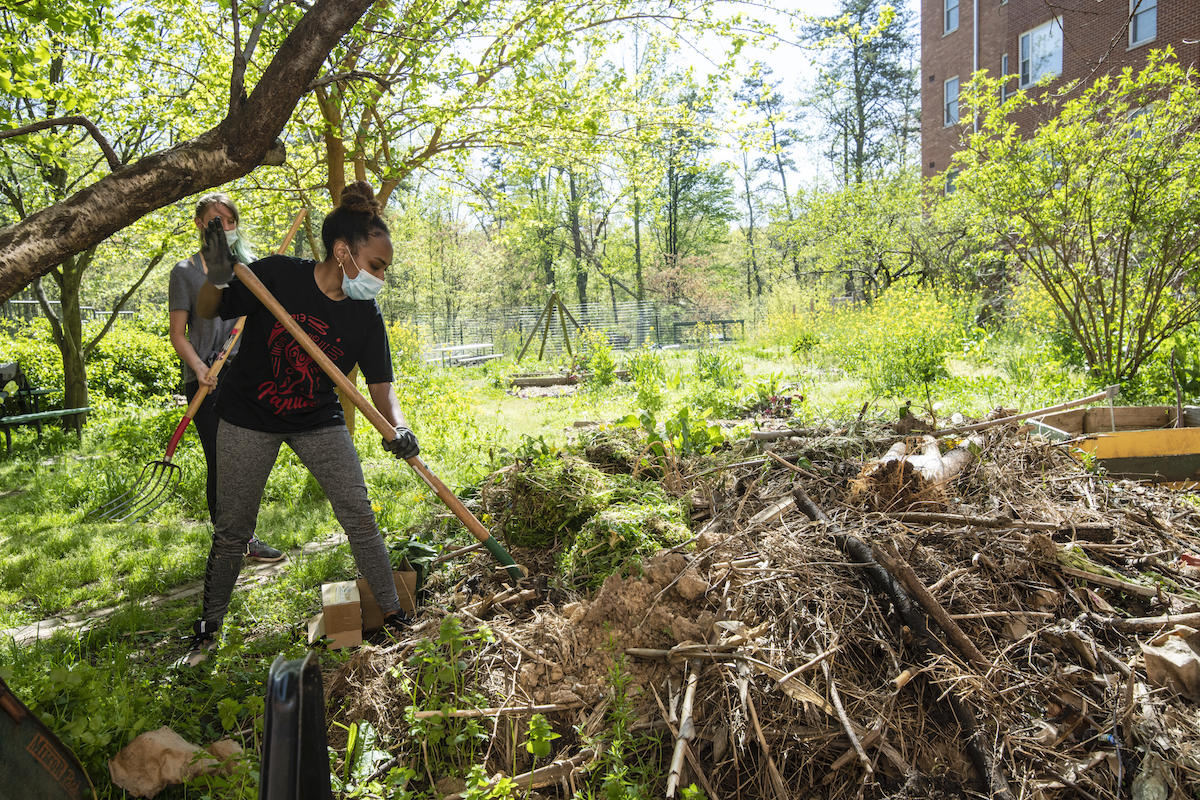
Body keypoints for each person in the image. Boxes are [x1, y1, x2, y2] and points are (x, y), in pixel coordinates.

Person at [181, 181, 420, 665]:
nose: (379, 277)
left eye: (384, 270)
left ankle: (396, 620)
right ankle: (207, 633)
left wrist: (397, 427)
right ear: (342, 251)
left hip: (317, 418)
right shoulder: (277, 276)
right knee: (233, 529)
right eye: (375, 265)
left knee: (360, 516)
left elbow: (381, 387)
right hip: (248, 415)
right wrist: (218, 274)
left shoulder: (365, 315)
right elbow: (208, 310)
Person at [168, 194, 284, 563]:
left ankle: (245, 538)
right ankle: (230, 543)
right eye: (216, 220)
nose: (224, 227)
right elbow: (177, 334)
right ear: (200, 225)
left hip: (244, 376)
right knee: (220, 460)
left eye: (230, 221)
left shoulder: (248, 269)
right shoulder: (184, 271)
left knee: (246, 460)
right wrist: (199, 368)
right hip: (206, 380)